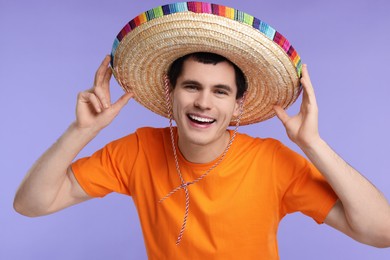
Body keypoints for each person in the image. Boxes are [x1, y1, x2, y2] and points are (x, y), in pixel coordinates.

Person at [14, 2, 390, 259]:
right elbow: (31, 204)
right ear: (171, 92)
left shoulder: (272, 162)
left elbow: (381, 232)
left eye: (220, 91)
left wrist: (313, 144)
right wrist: (81, 131)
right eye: (192, 86)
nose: (204, 103)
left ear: (238, 104)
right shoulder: (138, 150)